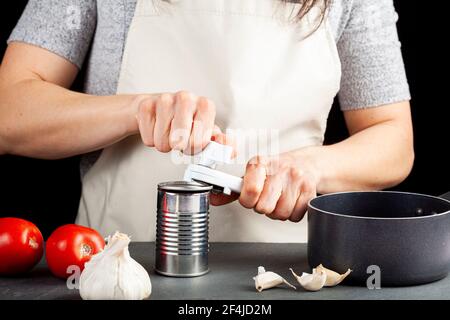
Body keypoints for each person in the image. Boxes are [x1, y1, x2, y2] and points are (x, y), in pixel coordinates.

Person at [0, 0, 413, 242]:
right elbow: (9, 111)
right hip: (116, 266)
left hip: (285, 272)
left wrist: (314, 168)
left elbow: (393, 137)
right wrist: (137, 110)